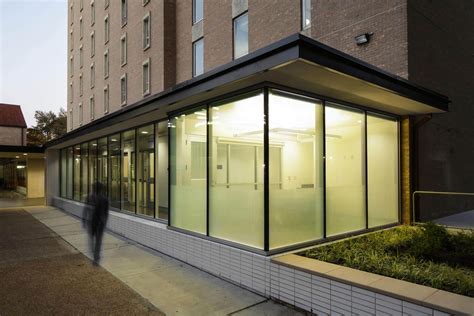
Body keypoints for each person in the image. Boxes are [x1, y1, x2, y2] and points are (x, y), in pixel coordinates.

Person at [82, 182, 109, 266]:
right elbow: (106, 213)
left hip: (94, 222)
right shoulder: (102, 198)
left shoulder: (93, 198)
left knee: (94, 241)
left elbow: (85, 209)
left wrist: (84, 219)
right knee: (96, 241)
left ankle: (96, 256)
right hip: (95, 222)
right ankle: (96, 256)